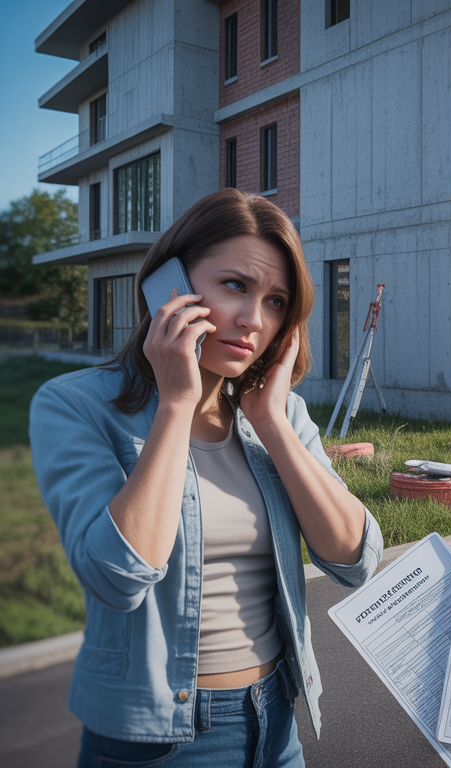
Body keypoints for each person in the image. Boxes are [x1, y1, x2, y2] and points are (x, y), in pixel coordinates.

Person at [30, 189, 384, 767]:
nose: (253, 320)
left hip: (276, 718)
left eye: (276, 302)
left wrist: (270, 422)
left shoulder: (281, 416)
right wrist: (175, 404)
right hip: (157, 739)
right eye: (236, 286)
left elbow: (355, 559)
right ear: (169, 285)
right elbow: (117, 577)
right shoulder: (76, 406)